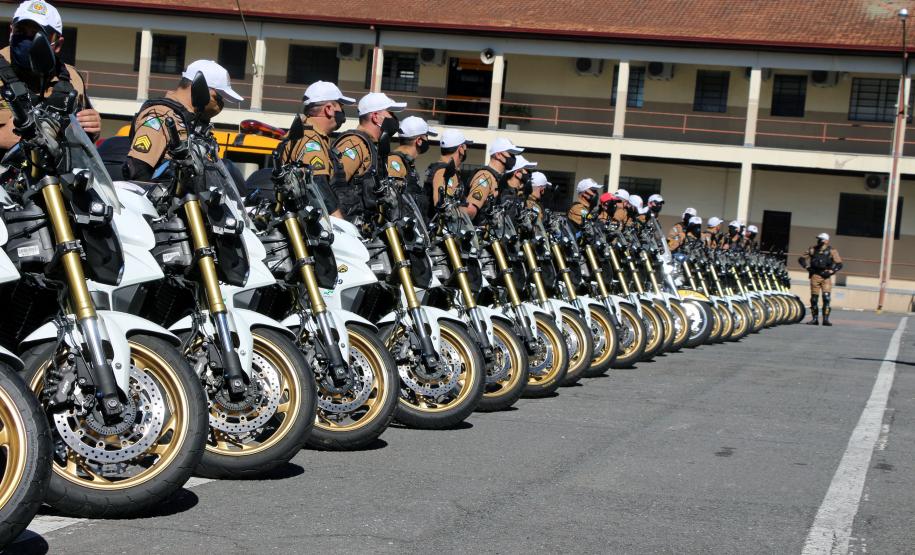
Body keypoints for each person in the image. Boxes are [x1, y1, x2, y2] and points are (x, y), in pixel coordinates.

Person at [0, 0, 101, 154]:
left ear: (57, 44)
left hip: (52, 174)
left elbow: (82, 137)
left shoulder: (71, 78)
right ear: (11, 31)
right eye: (21, 31)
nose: (26, 39)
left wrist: (92, 128)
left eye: (36, 34)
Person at [123, 59, 243, 181]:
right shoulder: (161, 116)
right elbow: (137, 169)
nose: (220, 103)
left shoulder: (191, 123)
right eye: (218, 96)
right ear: (199, 87)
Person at [277, 80, 354, 218]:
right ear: (329, 109)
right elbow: (317, 184)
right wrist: (341, 224)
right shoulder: (310, 138)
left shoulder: (315, 136)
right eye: (341, 107)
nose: (342, 112)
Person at [332, 92, 405, 223]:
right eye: (390, 113)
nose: (394, 118)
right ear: (376, 117)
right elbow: (335, 184)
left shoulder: (373, 146)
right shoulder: (355, 143)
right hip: (352, 228)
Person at [387, 116, 437, 220]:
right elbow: (393, 198)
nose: (427, 140)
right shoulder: (395, 160)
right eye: (426, 136)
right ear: (419, 140)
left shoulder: (407, 162)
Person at [464, 137, 523, 222]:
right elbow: (471, 210)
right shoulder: (485, 177)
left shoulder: (498, 179)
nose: (513, 158)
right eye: (511, 154)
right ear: (498, 155)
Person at [423, 129, 472, 213]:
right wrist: (469, 211)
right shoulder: (444, 171)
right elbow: (443, 206)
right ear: (460, 149)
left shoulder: (445, 169)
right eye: (465, 146)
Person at [799, 232, 843, 326]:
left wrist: (832, 271)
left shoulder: (832, 251)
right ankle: (814, 319)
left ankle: (826, 319)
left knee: (826, 298)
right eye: (819, 239)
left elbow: (839, 263)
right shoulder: (812, 249)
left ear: (827, 241)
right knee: (814, 299)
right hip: (815, 275)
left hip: (826, 277)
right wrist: (807, 267)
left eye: (822, 239)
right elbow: (801, 259)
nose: (819, 241)